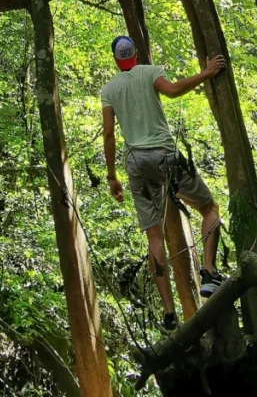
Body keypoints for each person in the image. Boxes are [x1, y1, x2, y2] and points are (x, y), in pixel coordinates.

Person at [101, 35, 227, 331]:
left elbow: (108, 133)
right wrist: (206, 72)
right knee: (209, 207)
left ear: (117, 60)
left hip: (135, 164)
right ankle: (208, 273)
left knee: (154, 237)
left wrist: (111, 177)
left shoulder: (109, 89)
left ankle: (169, 313)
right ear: (135, 54)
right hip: (165, 156)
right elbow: (172, 90)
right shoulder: (150, 71)